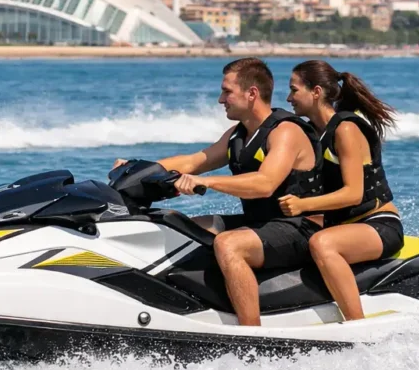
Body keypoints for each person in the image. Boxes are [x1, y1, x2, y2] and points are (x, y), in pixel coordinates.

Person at [113, 58, 319, 326]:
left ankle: (251, 333)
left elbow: (264, 183)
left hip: (300, 228)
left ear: (252, 93)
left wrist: (209, 182)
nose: (221, 99)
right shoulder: (238, 135)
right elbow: (194, 161)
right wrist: (137, 168)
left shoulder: (285, 131)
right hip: (262, 223)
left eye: (227, 91)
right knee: (181, 228)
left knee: (228, 244)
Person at [277, 60, 402, 321]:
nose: (289, 98)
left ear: (316, 92)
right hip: (343, 224)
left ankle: (357, 324)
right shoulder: (314, 133)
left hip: (377, 225)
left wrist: (302, 205)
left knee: (322, 244)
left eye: (293, 90)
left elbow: (353, 194)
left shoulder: (346, 128)